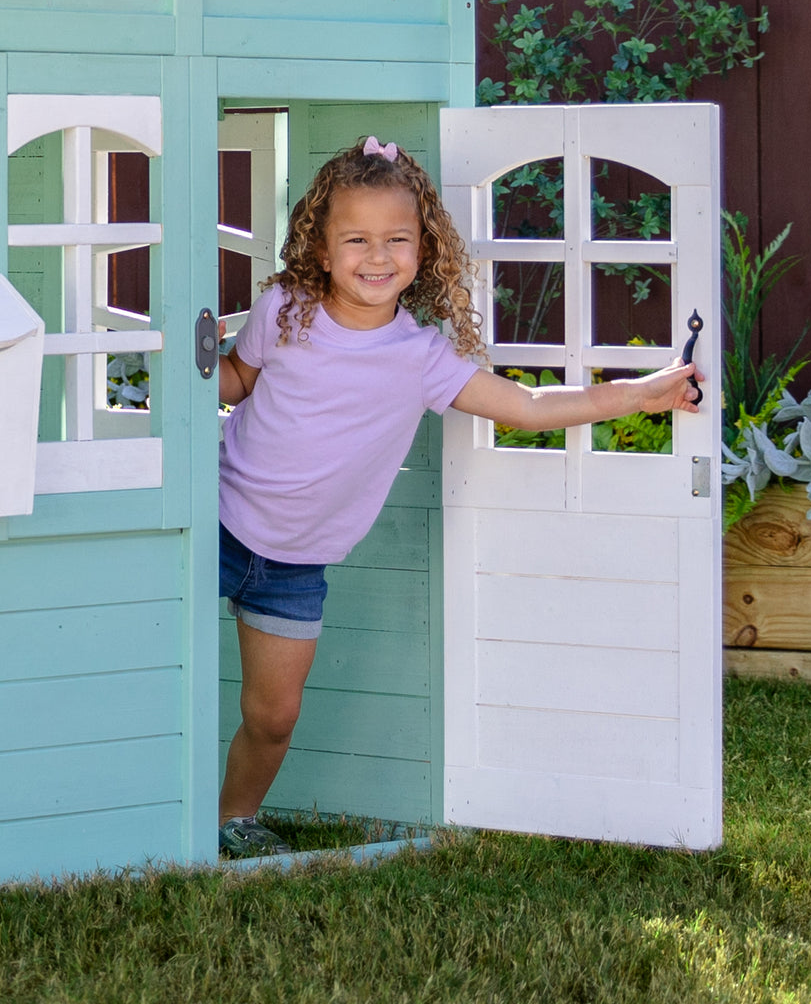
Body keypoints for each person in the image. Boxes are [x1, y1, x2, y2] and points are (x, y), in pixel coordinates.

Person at [215, 136, 702, 857]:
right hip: (216, 525)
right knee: (163, 671)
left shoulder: (420, 357)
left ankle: (233, 820)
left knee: (275, 716)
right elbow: (235, 382)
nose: (376, 257)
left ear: (424, 250)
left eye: (396, 240)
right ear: (320, 249)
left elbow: (529, 405)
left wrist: (642, 391)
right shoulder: (285, 309)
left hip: (294, 567)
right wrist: (171, 377)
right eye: (356, 239)